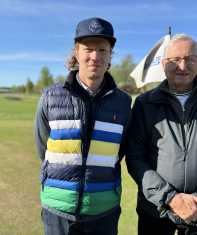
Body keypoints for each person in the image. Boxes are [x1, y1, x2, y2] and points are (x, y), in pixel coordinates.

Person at [125, 34, 197, 235]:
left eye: (190, 58)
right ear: (164, 63)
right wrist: (169, 198)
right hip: (156, 211)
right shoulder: (144, 103)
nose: (182, 66)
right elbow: (135, 157)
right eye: (174, 59)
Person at [35, 17, 131, 235]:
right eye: (88, 49)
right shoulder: (50, 97)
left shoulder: (124, 103)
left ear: (110, 56)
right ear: (76, 53)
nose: (95, 56)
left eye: (102, 50)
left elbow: (121, 150)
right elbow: (43, 149)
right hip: (58, 211)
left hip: (103, 210)